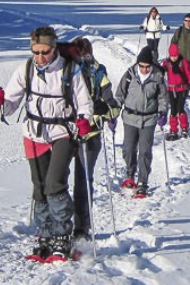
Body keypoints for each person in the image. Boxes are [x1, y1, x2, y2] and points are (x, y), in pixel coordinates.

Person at [0, 26, 94, 262]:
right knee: (39, 187)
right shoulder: (26, 69)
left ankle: (62, 235)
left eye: (44, 52)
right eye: (35, 52)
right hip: (33, 133)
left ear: (54, 48)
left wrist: (84, 120)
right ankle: (45, 235)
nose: (39, 57)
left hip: (62, 132)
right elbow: (11, 103)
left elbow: (85, 103)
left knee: (54, 184)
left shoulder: (70, 70)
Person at [67, 37, 120, 240]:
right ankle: (57, 223)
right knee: (58, 179)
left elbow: (109, 99)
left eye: (84, 53)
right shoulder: (65, 71)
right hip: (66, 131)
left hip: (90, 133)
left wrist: (109, 111)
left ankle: (81, 228)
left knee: (82, 180)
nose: (81, 57)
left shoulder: (98, 71)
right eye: (78, 53)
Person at [115, 46, 168, 198]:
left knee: (145, 151)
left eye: (147, 67)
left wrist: (163, 111)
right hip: (130, 117)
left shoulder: (157, 78)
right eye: (142, 66)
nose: (144, 70)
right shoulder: (130, 75)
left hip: (149, 119)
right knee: (128, 148)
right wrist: (114, 112)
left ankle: (143, 182)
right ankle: (130, 175)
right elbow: (120, 94)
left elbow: (163, 98)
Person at [161, 43, 190, 140]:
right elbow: (162, 70)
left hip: (182, 89)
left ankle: (184, 128)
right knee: (173, 110)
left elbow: (188, 73)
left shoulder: (183, 62)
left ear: (178, 54)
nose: (173, 58)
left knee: (180, 108)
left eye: (175, 56)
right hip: (171, 89)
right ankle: (173, 129)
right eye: (172, 56)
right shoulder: (167, 63)